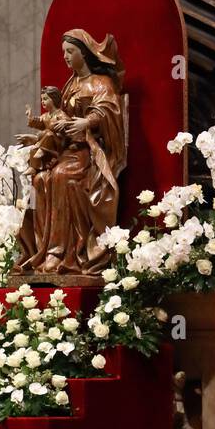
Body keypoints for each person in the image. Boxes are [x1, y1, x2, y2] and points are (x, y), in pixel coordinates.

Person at [16, 30, 126, 276]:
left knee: (61, 176)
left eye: (70, 51)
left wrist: (86, 123)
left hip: (89, 151)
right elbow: (58, 119)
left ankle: (65, 253)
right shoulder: (70, 85)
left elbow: (108, 110)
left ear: (83, 53)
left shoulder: (101, 83)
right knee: (40, 179)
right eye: (63, 52)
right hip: (67, 148)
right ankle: (44, 251)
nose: (65, 57)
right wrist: (37, 138)